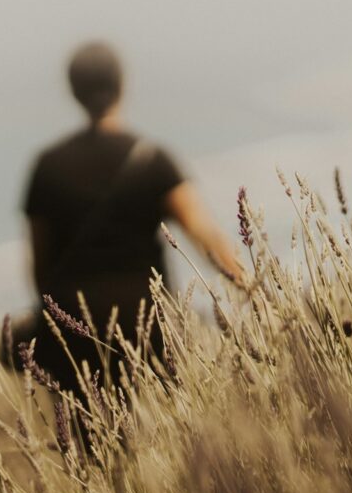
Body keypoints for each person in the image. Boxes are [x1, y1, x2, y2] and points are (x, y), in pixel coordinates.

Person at [12, 41, 240, 395]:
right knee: (162, 439)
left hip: (76, 335)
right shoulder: (153, 159)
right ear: (123, 85)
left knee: (90, 441)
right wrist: (250, 285)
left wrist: (55, 314)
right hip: (150, 330)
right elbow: (202, 232)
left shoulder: (48, 166)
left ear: (73, 91)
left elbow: (40, 263)